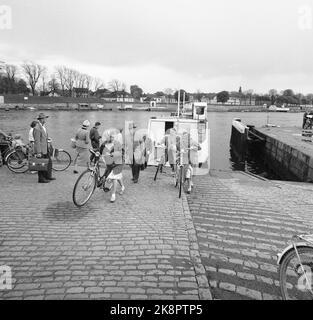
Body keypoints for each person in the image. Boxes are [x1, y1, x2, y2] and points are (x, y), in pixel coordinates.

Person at [100, 131, 125, 203]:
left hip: (118, 163)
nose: (112, 138)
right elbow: (101, 149)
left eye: (113, 137)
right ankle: (123, 187)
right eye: (111, 137)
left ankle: (113, 195)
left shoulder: (118, 144)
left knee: (114, 178)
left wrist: (112, 154)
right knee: (117, 176)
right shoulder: (105, 143)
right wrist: (98, 152)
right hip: (110, 162)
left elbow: (121, 153)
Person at [33, 113, 55, 183]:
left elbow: (43, 138)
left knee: (48, 162)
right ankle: (41, 179)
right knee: (41, 164)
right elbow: (37, 141)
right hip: (41, 150)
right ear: (41, 119)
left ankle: (47, 176)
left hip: (45, 148)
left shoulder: (42, 126)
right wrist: (38, 152)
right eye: (45, 118)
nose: (45, 119)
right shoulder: (37, 128)